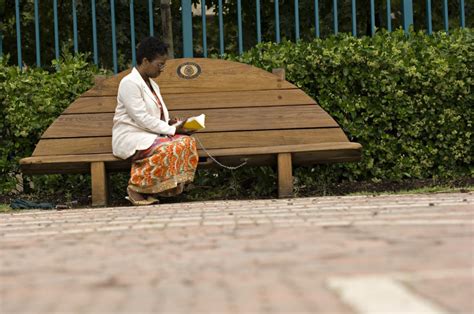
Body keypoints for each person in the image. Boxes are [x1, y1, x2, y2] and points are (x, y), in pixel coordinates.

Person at [112, 36, 198, 205]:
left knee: (187, 142)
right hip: (132, 137)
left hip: (151, 136)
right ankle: (136, 188)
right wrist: (173, 130)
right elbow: (142, 118)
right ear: (145, 61)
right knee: (172, 146)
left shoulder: (152, 84)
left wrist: (171, 123)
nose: (162, 69)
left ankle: (154, 189)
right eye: (160, 64)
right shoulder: (129, 83)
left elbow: (155, 116)